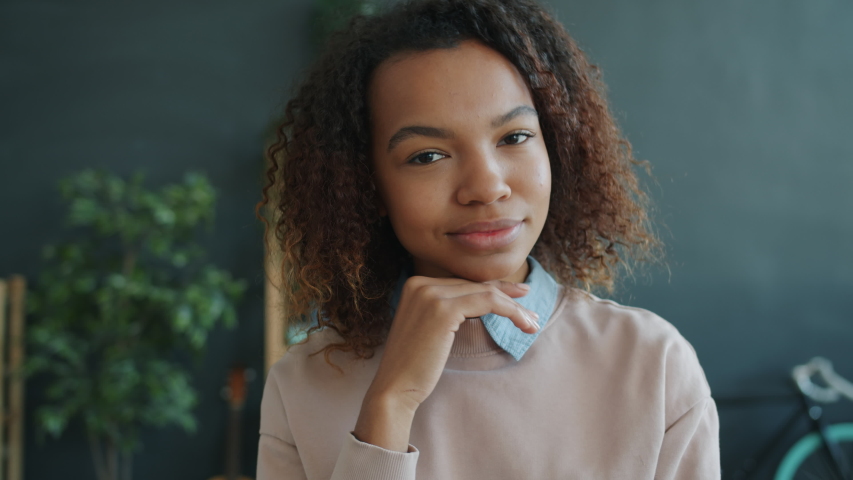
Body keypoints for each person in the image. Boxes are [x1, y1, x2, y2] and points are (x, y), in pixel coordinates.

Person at [255, 0, 721, 477]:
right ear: (367, 184)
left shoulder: (652, 365)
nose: (486, 186)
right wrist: (390, 403)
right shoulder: (302, 386)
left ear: (554, 146)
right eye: (428, 156)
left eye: (514, 137)